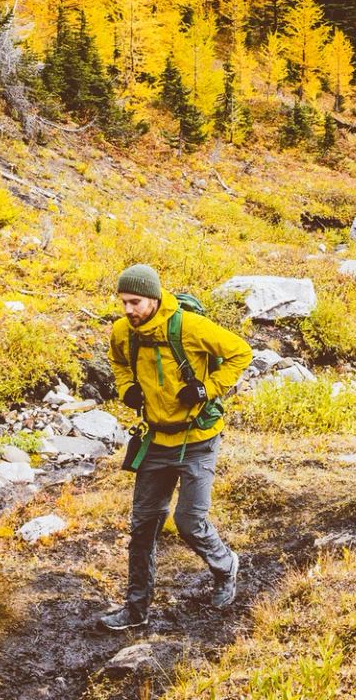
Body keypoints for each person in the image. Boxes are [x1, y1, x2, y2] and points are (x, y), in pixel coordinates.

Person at [97, 263, 253, 631]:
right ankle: (136, 611)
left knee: (188, 521)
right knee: (142, 527)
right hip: (155, 440)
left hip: (198, 439)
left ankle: (225, 566)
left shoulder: (189, 327)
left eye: (134, 302)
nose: (128, 310)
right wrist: (126, 389)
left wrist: (206, 389)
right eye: (123, 302)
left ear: (153, 297)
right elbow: (118, 363)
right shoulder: (123, 332)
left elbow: (240, 352)